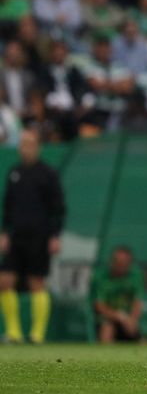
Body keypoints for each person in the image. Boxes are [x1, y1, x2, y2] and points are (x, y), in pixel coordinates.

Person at [0, 129, 66, 344]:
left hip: (39, 236)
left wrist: (55, 235)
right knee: (5, 280)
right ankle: (14, 332)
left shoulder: (48, 174)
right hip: (16, 236)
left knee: (36, 281)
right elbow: (8, 207)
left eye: (28, 143)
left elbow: (58, 209)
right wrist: (4, 232)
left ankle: (37, 334)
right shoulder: (14, 173)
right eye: (21, 143)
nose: (23, 147)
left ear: (38, 146)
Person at [92, 246, 144, 343]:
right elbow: (99, 306)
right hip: (108, 319)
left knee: (139, 338)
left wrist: (132, 319)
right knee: (107, 329)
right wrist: (119, 316)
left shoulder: (136, 276)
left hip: (128, 320)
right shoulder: (101, 278)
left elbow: (138, 302)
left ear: (129, 263)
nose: (120, 265)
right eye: (117, 262)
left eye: (124, 263)